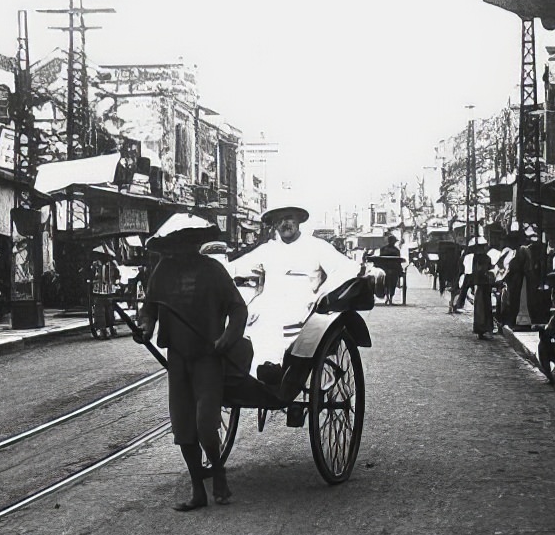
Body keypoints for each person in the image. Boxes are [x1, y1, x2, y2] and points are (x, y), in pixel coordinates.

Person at [136, 214, 248, 512]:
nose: (182, 249)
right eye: (177, 243)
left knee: (205, 426)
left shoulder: (213, 271)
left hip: (209, 358)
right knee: (183, 427)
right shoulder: (162, 272)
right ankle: (198, 489)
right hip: (178, 358)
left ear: (196, 244)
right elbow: (150, 310)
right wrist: (145, 327)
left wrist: (227, 338)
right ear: (170, 245)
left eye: (188, 242)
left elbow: (239, 310)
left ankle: (218, 471)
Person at [229, 204, 361, 382]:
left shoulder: (316, 246)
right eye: (279, 220)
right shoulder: (268, 249)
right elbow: (235, 268)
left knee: (275, 325)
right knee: (248, 324)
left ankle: (273, 370)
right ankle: (257, 374)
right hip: (269, 304)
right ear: (274, 225)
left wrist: (321, 294)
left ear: (298, 220)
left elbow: (346, 268)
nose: (285, 223)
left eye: (289, 218)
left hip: (303, 306)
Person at [471, 241, 495, 339]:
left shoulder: (476, 258)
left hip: (481, 285)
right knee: (484, 307)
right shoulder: (485, 258)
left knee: (481, 308)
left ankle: (482, 329)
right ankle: (484, 328)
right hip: (484, 285)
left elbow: (475, 272)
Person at [377, 232, 403, 305]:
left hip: (385, 269)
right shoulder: (396, 250)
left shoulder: (383, 249)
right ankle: (390, 297)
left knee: (386, 283)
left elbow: (380, 260)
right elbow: (398, 262)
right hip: (392, 269)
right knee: (392, 284)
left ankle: (388, 297)